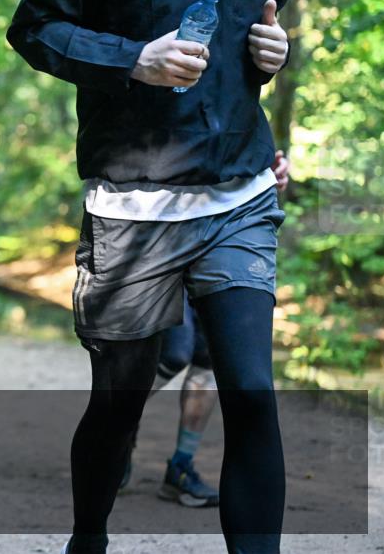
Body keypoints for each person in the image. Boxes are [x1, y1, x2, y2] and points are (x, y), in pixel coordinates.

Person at [6, 0, 291, 552]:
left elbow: (252, 44)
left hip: (237, 196)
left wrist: (271, 52)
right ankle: (89, 537)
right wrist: (133, 59)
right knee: (119, 402)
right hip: (135, 208)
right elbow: (34, 28)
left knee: (250, 389)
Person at [122, 152, 291, 509]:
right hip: (160, 228)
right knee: (174, 351)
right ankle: (117, 428)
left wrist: (270, 170)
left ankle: (181, 467)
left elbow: (253, 143)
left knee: (209, 359)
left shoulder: (243, 96)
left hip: (230, 228)